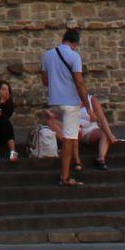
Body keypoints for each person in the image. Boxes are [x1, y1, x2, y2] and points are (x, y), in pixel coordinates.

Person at [42, 27, 87, 187]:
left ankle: (68, 164)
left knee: (66, 133)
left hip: (55, 101)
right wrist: (87, 106)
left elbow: (45, 81)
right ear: (75, 43)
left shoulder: (47, 55)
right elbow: (79, 82)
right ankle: (65, 176)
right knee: (69, 138)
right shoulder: (74, 56)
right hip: (71, 103)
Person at [77, 93, 120, 170]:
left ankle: (101, 159)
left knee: (105, 134)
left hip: (89, 131)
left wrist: (110, 135)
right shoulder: (67, 100)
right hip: (74, 130)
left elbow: (102, 118)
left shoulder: (92, 100)